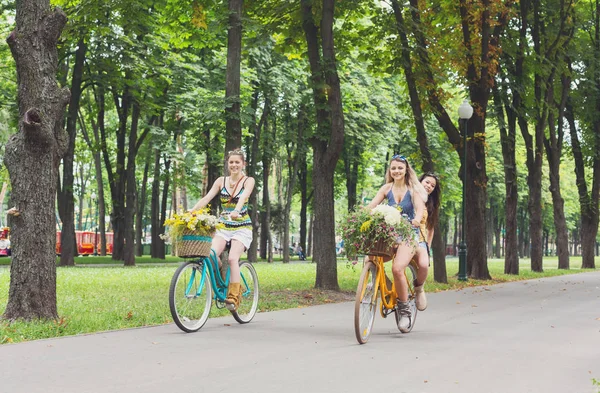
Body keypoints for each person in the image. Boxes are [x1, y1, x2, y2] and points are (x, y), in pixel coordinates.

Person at [366, 154, 427, 332]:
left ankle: (405, 309)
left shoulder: (413, 189)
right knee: (369, 258)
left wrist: (416, 218)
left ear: (406, 170)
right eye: (393, 168)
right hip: (391, 234)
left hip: (409, 234)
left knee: (397, 268)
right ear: (390, 170)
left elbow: (420, 208)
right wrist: (362, 214)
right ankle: (386, 286)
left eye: (400, 168)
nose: (396, 171)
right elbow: (372, 205)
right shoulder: (386, 188)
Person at [190, 149, 255, 311]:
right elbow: (206, 198)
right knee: (210, 253)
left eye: (237, 162)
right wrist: (192, 212)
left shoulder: (248, 180)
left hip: (242, 227)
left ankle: (234, 296)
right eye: (231, 162)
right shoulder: (221, 181)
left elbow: (244, 196)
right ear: (228, 164)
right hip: (224, 226)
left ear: (243, 164)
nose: (234, 165)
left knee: (233, 259)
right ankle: (220, 279)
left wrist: (236, 211)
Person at [413, 172, 441, 312]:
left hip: (419, 240)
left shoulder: (430, 206)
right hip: (401, 236)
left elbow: (430, 229)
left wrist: (427, 248)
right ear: (420, 181)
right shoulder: (409, 194)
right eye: (427, 182)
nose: (429, 186)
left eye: (432, 185)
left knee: (424, 265)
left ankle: (419, 288)